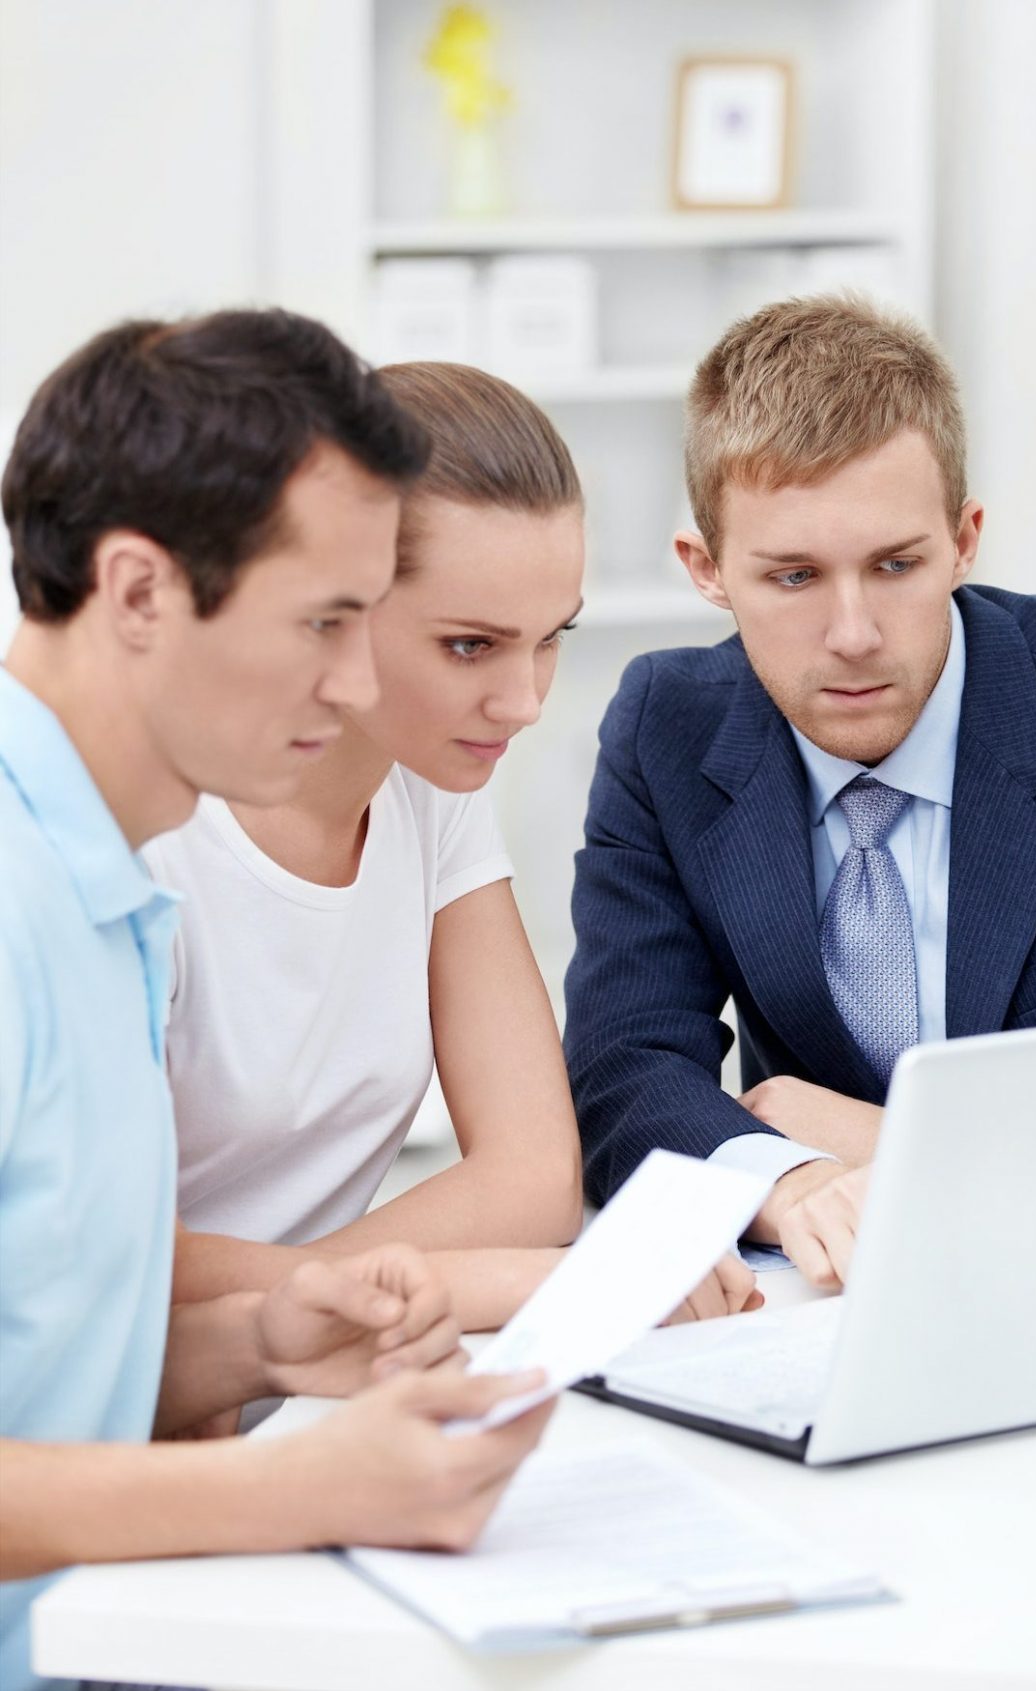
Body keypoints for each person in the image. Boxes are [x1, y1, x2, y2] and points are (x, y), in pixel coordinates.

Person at [0, 311, 552, 1691]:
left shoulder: (100, 888)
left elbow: (55, 1350)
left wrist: (266, 1338)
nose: (363, 683)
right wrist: (304, 1490)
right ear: (137, 592)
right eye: (324, 623)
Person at [564, 293, 1036, 1290]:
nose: (852, 632)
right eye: (792, 577)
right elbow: (621, 1064)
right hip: (828, 1302)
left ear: (964, 539)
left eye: (894, 565)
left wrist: (891, 1140)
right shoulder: (663, 728)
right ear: (705, 568)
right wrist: (794, 1176)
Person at [147, 360, 758, 1336]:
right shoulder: (151, 839)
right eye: (470, 645)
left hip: (309, 1365)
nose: (523, 701)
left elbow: (535, 1178)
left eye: (550, 636)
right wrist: (486, 1281)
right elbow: (111, 1258)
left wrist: (303, 1300)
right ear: (333, 602)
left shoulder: (428, 782)